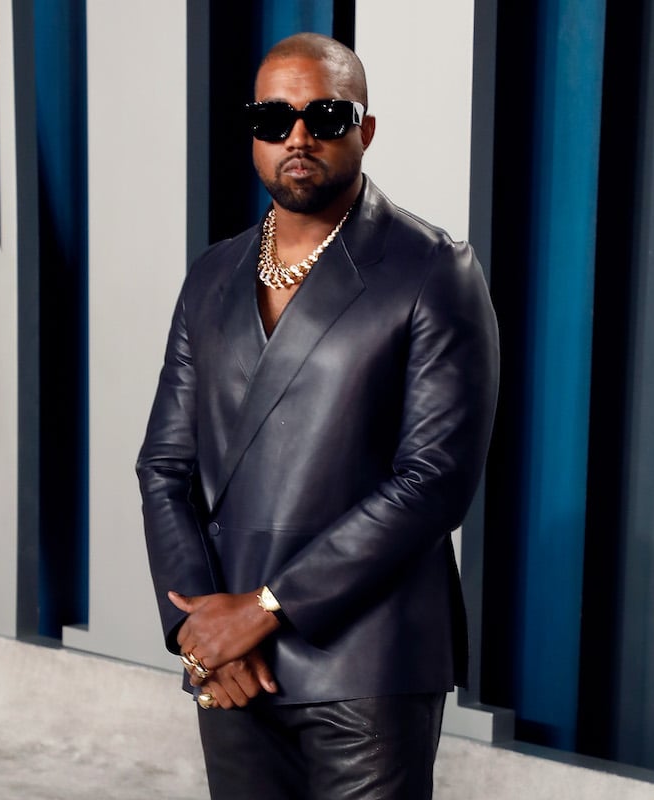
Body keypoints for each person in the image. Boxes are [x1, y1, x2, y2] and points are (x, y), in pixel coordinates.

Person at [136, 32, 499, 800]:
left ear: (363, 129)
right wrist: (198, 630)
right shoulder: (212, 275)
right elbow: (164, 466)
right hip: (233, 664)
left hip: (366, 662)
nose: (297, 136)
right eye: (274, 118)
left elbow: (434, 482)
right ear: (255, 135)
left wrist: (263, 610)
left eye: (325, 115)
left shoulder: (434, 270)